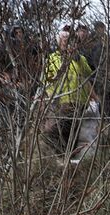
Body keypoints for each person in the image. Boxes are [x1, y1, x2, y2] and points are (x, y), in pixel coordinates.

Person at [39, 27, 94, 157]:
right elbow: (46, 80)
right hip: (60, 100)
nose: (65, 42)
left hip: (78, 100)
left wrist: (77, 58)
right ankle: (62, 155)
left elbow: (88, 73)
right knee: (55, 131)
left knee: (72, 131)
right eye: (63, 39)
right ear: (59, 41)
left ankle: (68, 158)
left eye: (68, 40)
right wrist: (51, 96)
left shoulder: (80, 58)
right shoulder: (53, 58)